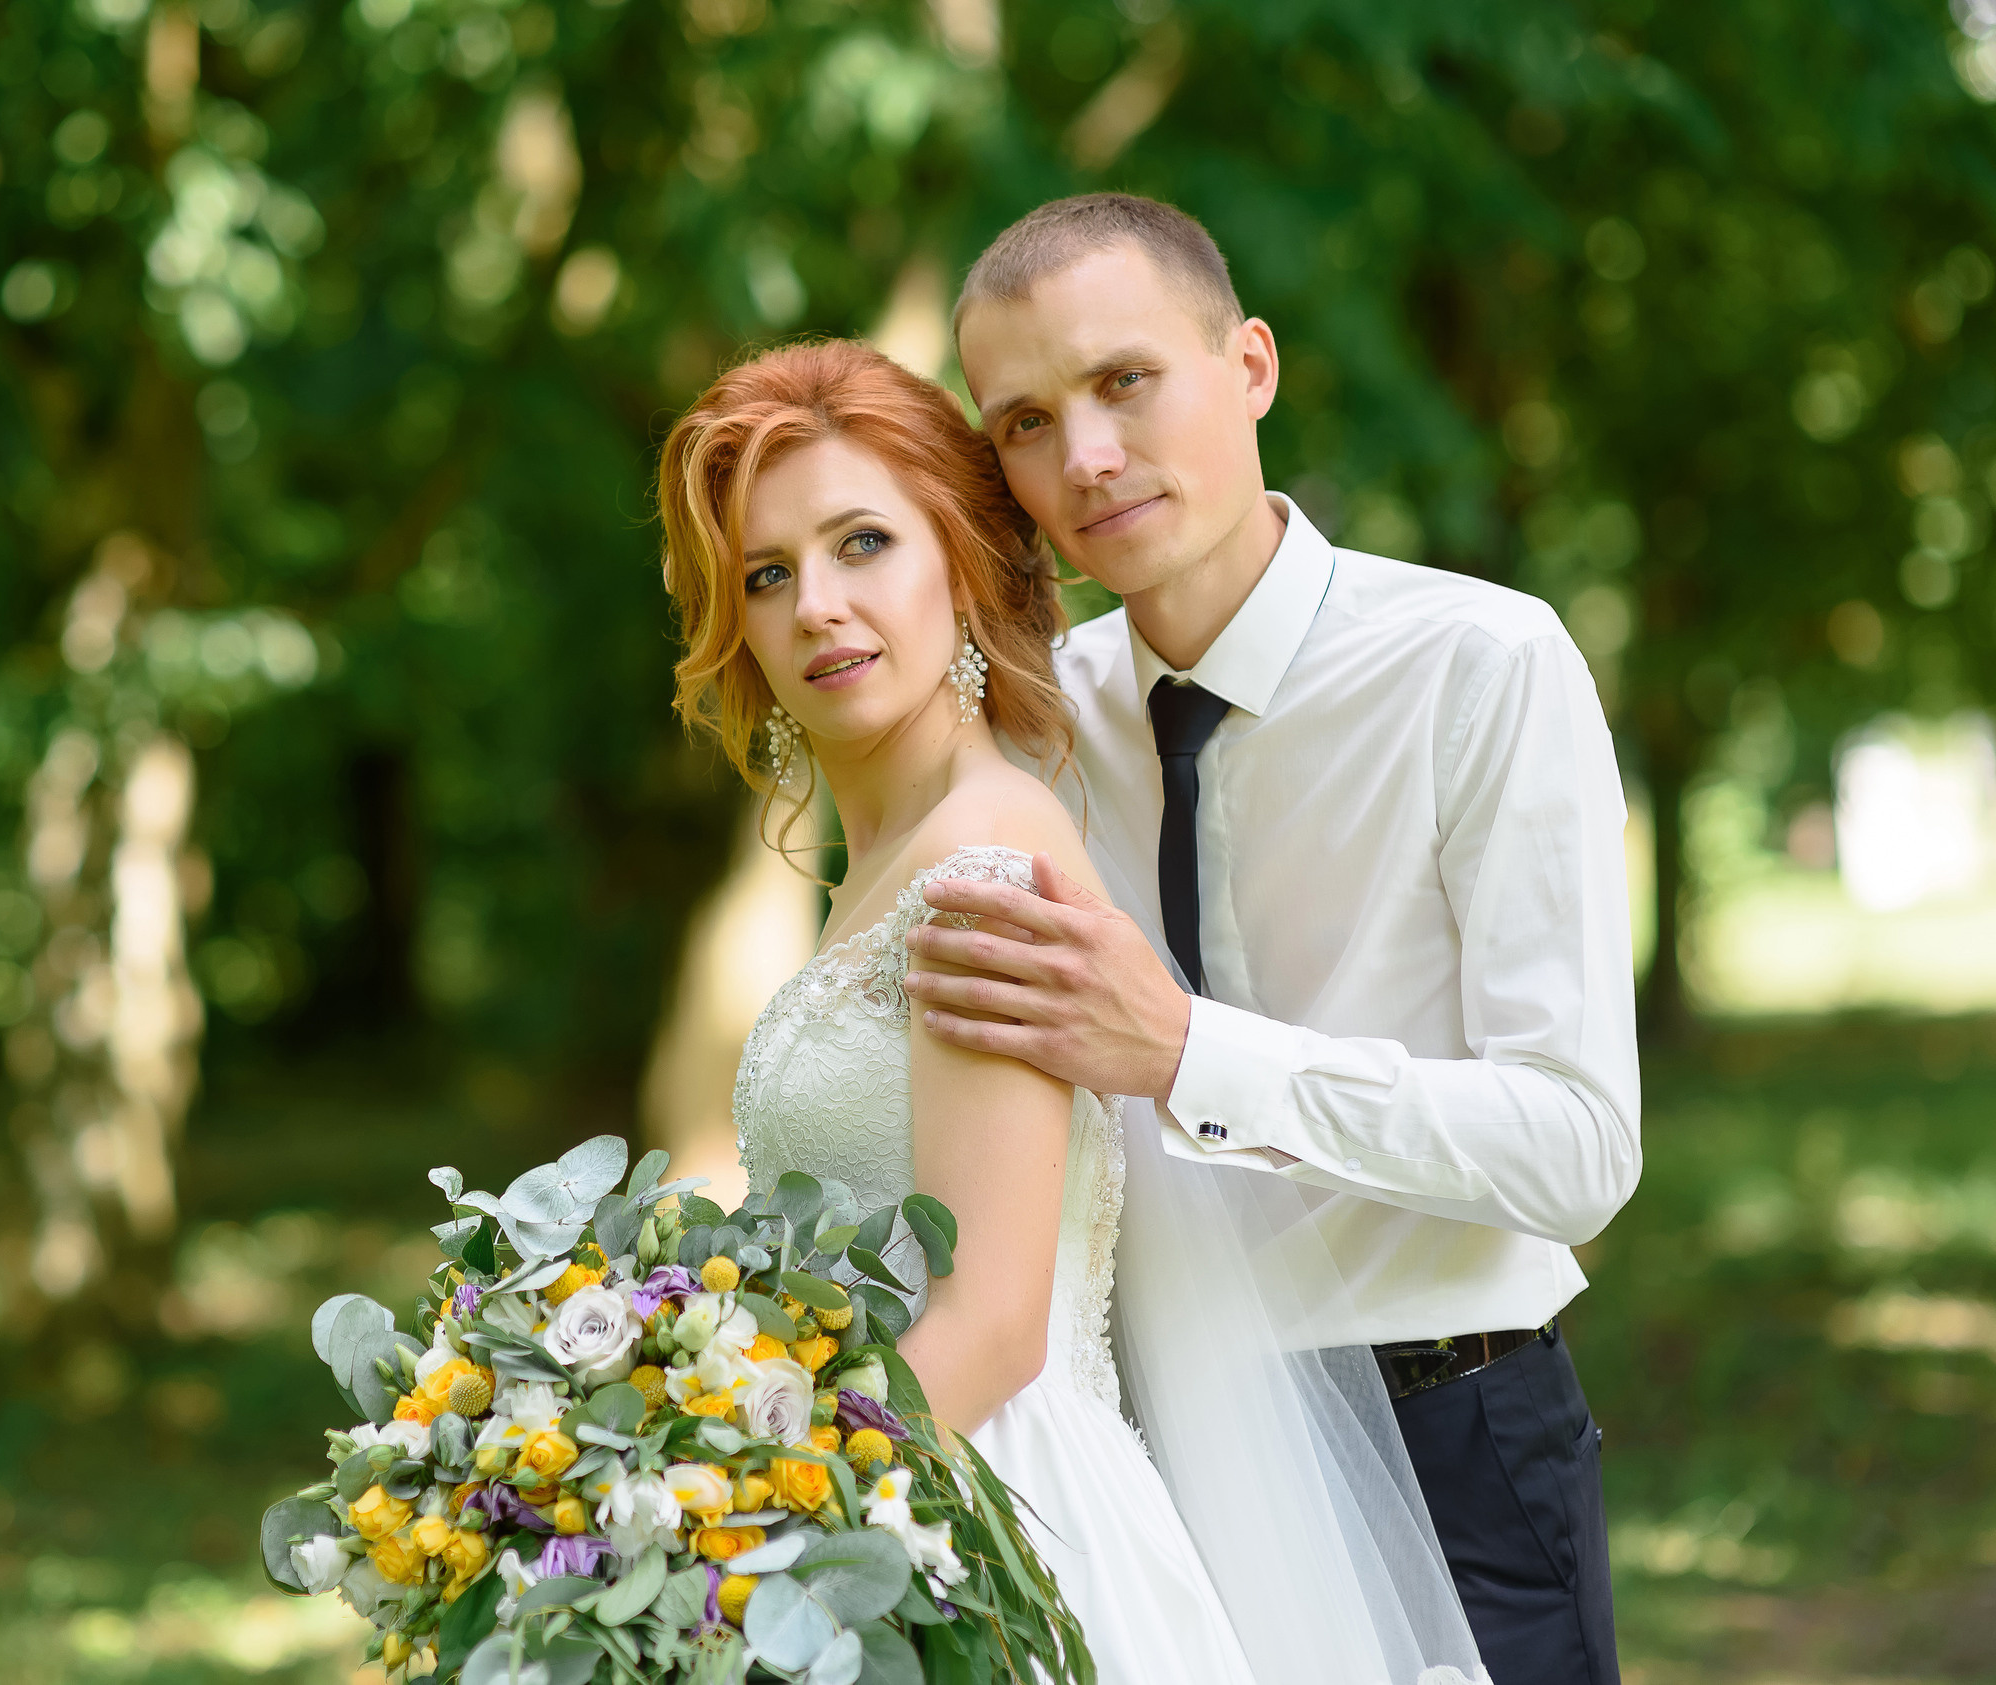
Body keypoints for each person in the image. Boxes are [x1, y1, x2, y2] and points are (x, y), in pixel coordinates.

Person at [658, 338, 1485, 1684]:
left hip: (983, 1511)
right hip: (892, 1479)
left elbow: (993, 1321)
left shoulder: (982, 861)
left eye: (863, 543)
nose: (815, 603)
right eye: (767, 572)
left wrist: (735, 1517)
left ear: (961, 561)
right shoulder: (887, 854)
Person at [908, 192, 1641, 1685]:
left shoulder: (1481, 665)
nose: (1088, 456)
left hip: (1457, 1444)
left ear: (1248, 366)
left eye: (1125, 383)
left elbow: (1579, 1148)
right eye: (1026, 423)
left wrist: (1187, 1053)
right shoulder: (1032, 733)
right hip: (1156, 1470)